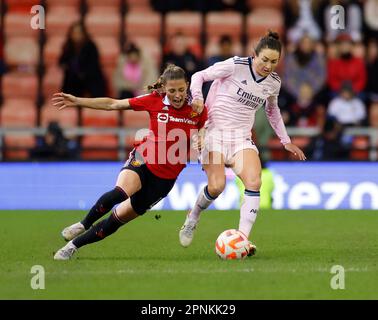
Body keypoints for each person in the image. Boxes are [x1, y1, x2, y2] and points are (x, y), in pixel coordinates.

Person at [52, 64, 208, 260]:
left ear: (187, 85)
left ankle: (73, 246)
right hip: (144, 160)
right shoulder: (154, 101)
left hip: (164, 180)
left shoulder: (197, 109)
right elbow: (113, 104)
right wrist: (78, 101)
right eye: (172, 90)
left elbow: (204, 127)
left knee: (115, 221)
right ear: (163, 88)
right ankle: (83, 224)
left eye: (181, 90)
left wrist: (201, 137)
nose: (177, 95)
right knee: (120, 192)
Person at [178, 31, 306, 252]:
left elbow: (272, 110)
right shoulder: (235, 65)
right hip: (214, 133)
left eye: (274, 62)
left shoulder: (273, 83)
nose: (268, 65)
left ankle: (242, 240)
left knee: (254, 182)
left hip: (241, 138)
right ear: (254, 55)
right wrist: (198, 99)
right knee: (217, 187)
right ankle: (193, 216)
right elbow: (199, 76)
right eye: (264, 59)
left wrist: (285, 140)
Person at [59, 21, 106, 97]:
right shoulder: (68, 46)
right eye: (74, 33)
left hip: (89, 78)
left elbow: (94, 65)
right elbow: (62, 62)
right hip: (73, 79)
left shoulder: (91, 46)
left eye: (79, 33)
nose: (77, 35)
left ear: (84, 34)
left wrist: (83, 72)